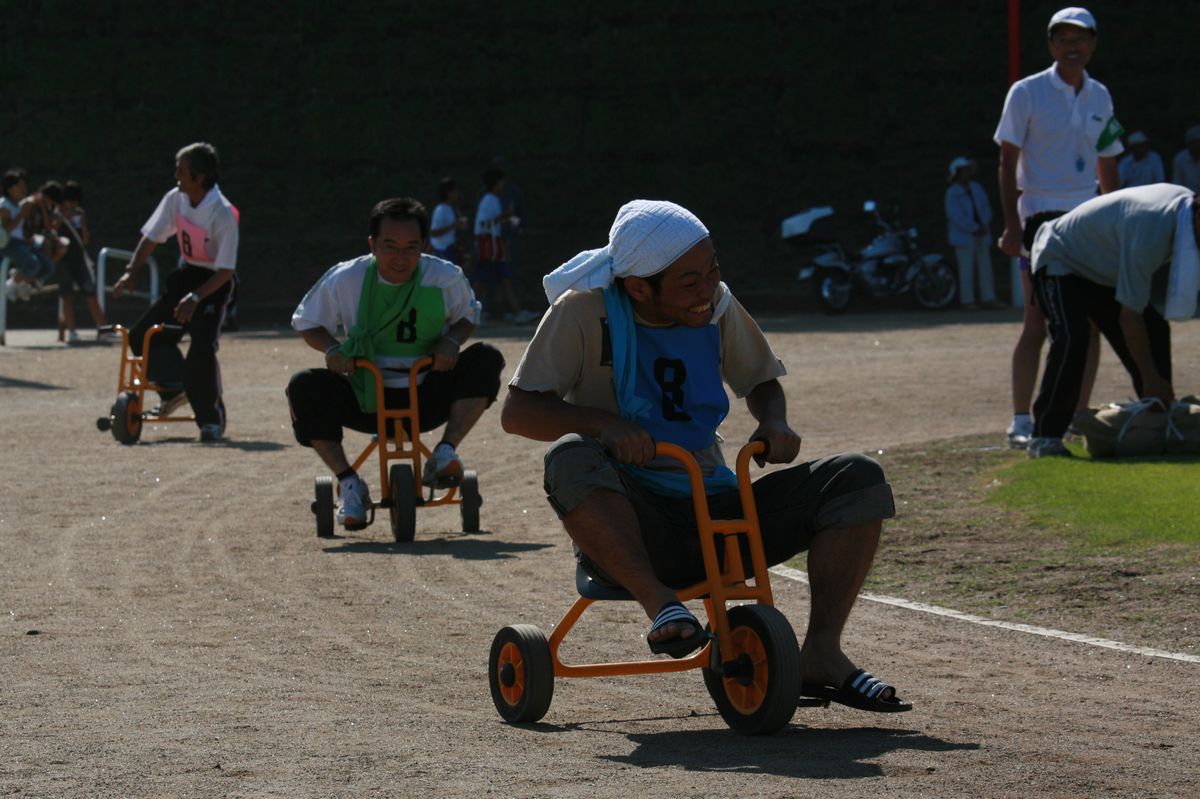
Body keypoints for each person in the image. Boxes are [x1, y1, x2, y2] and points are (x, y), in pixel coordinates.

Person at [501, 199, 910, 713]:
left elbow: (760, 378)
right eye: (690, 281)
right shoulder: (584, 313)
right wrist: (603, 424)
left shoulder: (716, 306)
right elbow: (518, 412)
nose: (707, 288)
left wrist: (774, 421)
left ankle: (822, 653)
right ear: (638, 287)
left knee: (857, 477)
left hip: (716, 510)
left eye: (713, 267)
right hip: (635, 527)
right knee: (569, 456)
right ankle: (660, 605)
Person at [287, 197, 505, 530]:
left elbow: (468, 316)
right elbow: (306, 321)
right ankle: (348, 482)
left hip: (427, 388)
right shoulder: (347, 278)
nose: (400, 258)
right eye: (390, 246)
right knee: (303, 385)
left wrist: (451, 341)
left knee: (486, 358)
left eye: (410, 248)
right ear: (372, 244)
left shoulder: (443, 277)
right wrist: (333, 350)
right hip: (365, 392)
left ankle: (444, 453)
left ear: (425, 246)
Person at [994, 6, 1122, 449]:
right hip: (1039, 216)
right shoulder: (1026, 92)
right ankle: (1020, 417)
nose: (1073, 46)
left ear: (1093, 43)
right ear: (1051, 45)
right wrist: (1012, 226)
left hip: (1087, 218)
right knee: (1037, 323)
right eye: (1063, 38)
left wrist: (1114, 221)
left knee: (1088, 323)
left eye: (1081, 38)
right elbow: (1007, 162)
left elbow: (1108, 160)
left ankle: (1077, 414)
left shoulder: (1100, 95)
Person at [1026, 183, 1197, 458]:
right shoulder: (1151, 231)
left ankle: (1159, 411)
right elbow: (1130, 317)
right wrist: (1150, 376)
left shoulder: (1186, 212)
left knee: (1155, 326)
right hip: (1061, 255)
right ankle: (1045, 436)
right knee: (1072, 336)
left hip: (1103, 268)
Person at [112, 142, 239, 442]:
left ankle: (211, 421)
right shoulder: (176, 199)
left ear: (201, 176)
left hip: (214, 284)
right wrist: (132, 270)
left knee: (202, 350)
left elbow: (226, 271)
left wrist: (196, 298)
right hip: (186, 276)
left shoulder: (222, 213)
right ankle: (175, 391)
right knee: (141, 336)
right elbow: (152, 237)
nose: (176, 175)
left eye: (182, 170)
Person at [474, 166, 537, 325]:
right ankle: (469, 313)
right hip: (489, 246)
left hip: (493, 245)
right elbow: (483, 223)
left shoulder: (491, 199)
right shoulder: (489, 199)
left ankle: (516, 312)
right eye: (501, 182)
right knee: (487, 280)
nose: (503, 186)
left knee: (503, 277)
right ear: (496, 184)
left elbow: (491, 221)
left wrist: (505, 220)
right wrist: (505, 215)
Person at [52, 180, 109, 342]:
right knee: (67, 295)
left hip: (79, 259)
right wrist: (63, 219)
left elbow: (85, 239)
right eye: (69, 200)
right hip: (63, 260)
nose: (72, 204)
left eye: (74, 200)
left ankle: (103, 328)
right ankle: (72, 331)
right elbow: (52, 232)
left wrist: (81, 222)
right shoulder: (57, 214)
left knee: (90, 293)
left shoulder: (80, 213)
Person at [945, 157, 1002, 310]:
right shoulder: (952, 192)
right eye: (963, 171)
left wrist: (983, 224)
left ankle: (988, 298)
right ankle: (967, 301)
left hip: (982, 234)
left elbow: (985, 207)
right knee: (966, 270)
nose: (966, 173)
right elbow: (955, 216)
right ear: (956, 173)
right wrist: (974, 227)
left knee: (985, 268)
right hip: (964, 237)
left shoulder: (976, 187)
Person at [2, 168, 58, 301]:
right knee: (33, 265)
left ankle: (19, 279)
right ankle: (10, 285)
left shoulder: (20, 204)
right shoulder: (4, 205)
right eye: (20, 186)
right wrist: (22, 214)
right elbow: (6, 229)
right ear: (10, 188)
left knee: (47, 267)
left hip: (22, 242)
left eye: (24, 186)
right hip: (8, 243)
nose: (24, 190)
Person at [429, 177, 468, 266]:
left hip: (449, 249)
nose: (457, 193)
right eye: (455, 191)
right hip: (442, 251)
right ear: (449, 193)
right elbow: (434, 233)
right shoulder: (441, 209)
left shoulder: (450, 208)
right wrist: (453, 225)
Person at [1170, 125, 1200, 193]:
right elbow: (1177, 184)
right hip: (1189, 197)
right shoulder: (1180, 159)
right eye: (1194, 143)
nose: (1197, 146)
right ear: (1188, 144)